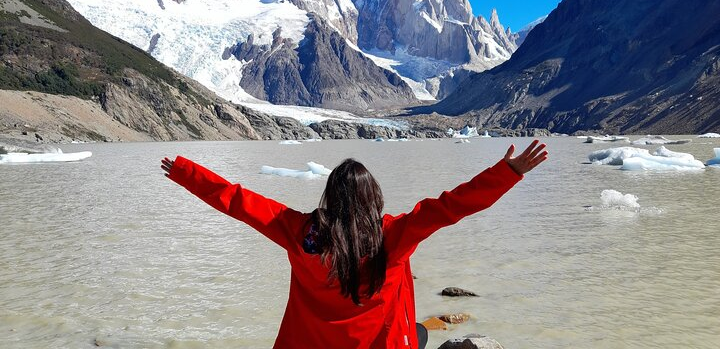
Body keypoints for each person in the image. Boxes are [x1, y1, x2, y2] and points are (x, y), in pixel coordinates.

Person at [161, 140, 547, 349]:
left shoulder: (298, 232)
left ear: (330, 196)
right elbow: (449, 207)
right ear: (373, 198)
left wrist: (184, 171)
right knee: (418, 332)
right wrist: (506, 173)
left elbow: (237, 201)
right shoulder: (392, 237)